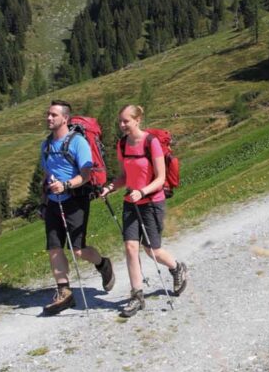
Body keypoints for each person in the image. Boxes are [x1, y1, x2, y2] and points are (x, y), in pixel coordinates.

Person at [103, 104, 187, 317]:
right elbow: (124, 176)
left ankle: (177, 268)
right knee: (131, 247)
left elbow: (160, 178)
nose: (122, 125)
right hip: (131, 202)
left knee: (152, 250)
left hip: (152, 202)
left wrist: (142, 191)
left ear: (138, 120)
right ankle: (136, 296)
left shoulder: (152, 142)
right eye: (120, 121)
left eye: (126, 121)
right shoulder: (122, 145)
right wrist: (112, 187)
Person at [39, 99, 115, 315]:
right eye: (48, 114)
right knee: (54, 247)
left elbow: (86, 174)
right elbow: (45, 176)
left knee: (79, 249)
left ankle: (103, 264)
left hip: (75, 200)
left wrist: (65, 185)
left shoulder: (78, 142)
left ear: (65, 118)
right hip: (54, 202)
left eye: (54, 115)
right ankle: (64, 292)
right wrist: (43, 201)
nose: (49, 118)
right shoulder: (45, 145)